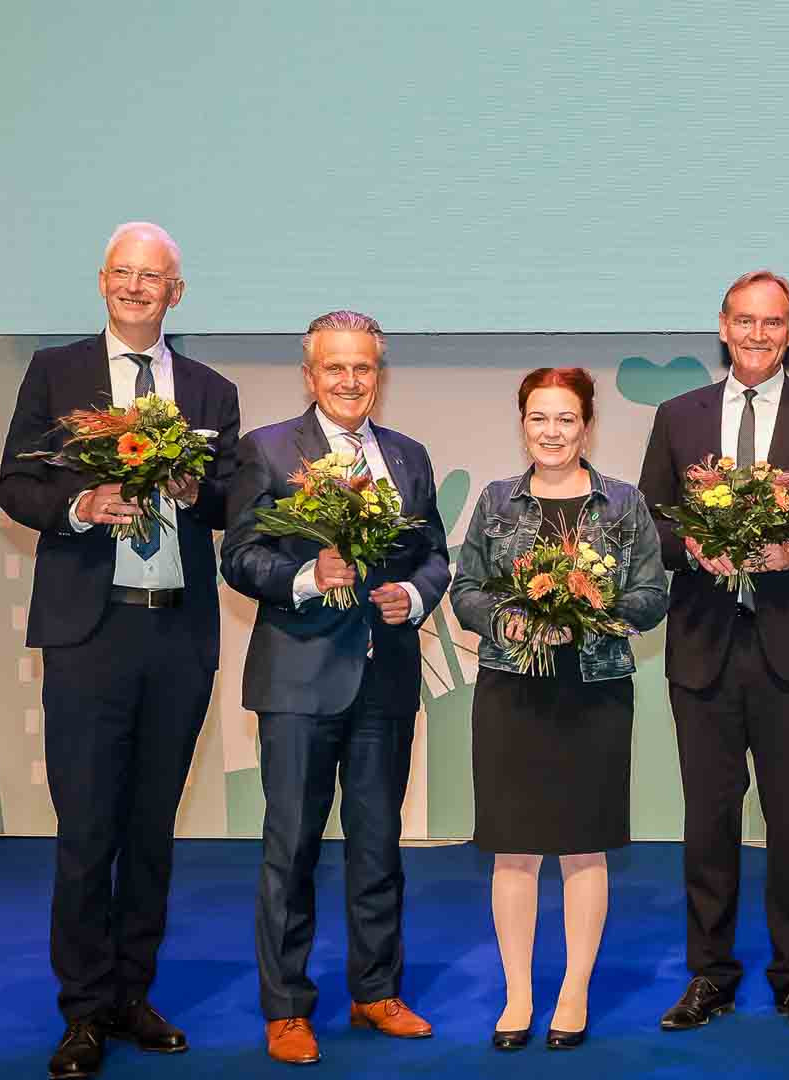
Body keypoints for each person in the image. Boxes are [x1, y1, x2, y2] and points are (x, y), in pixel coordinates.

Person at [0, 222, 240, 1080]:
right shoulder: (54, 372)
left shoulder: (210, 390)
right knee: (87, 829)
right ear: (103, 281)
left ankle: (134, 992)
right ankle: (83, 1012)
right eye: (123, 274)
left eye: (154, 276)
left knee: (150, 831)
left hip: (177, 632)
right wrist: (79, 503)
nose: (137, 288)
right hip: (88, 633)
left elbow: (228, 507)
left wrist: (195, 489)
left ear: (177, 291)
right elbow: (14, 483)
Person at [637, 270, 789, 1032]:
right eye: (744, 320)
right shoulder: (678, 416)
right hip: (704, 651)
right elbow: (650, 529)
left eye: (772, 322)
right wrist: (696, 548)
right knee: (708, 824)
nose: (757, 334)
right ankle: (709, 974)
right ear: (721, 326)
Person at [221, 310, 452, 1065]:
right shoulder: (267, 450)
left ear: (379, 376)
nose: (350, 381)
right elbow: (241, 558)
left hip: (384, 679)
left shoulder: (410, 457)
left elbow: (434, 557)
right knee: (290, 847)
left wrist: (411, 599)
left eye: (364, 369)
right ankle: (286, 1006)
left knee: (379, 845)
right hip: (296, 680)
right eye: (335, 368)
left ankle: (375, 990)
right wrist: (303, 576)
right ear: (310, 374)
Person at [449, 367, 669, 1050]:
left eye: (566, 419)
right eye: (539, 418)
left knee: (583, 845)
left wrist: (596, 611)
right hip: (512, 691)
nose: (552, 432)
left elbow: (652, 594)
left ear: (588, 425)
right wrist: (505, 620)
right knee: (513, 850)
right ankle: (518, 994)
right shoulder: (493, 502)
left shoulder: (623, 502)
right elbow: (465, 591)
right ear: (523, 424)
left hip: (594, 691)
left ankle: (573, 990)